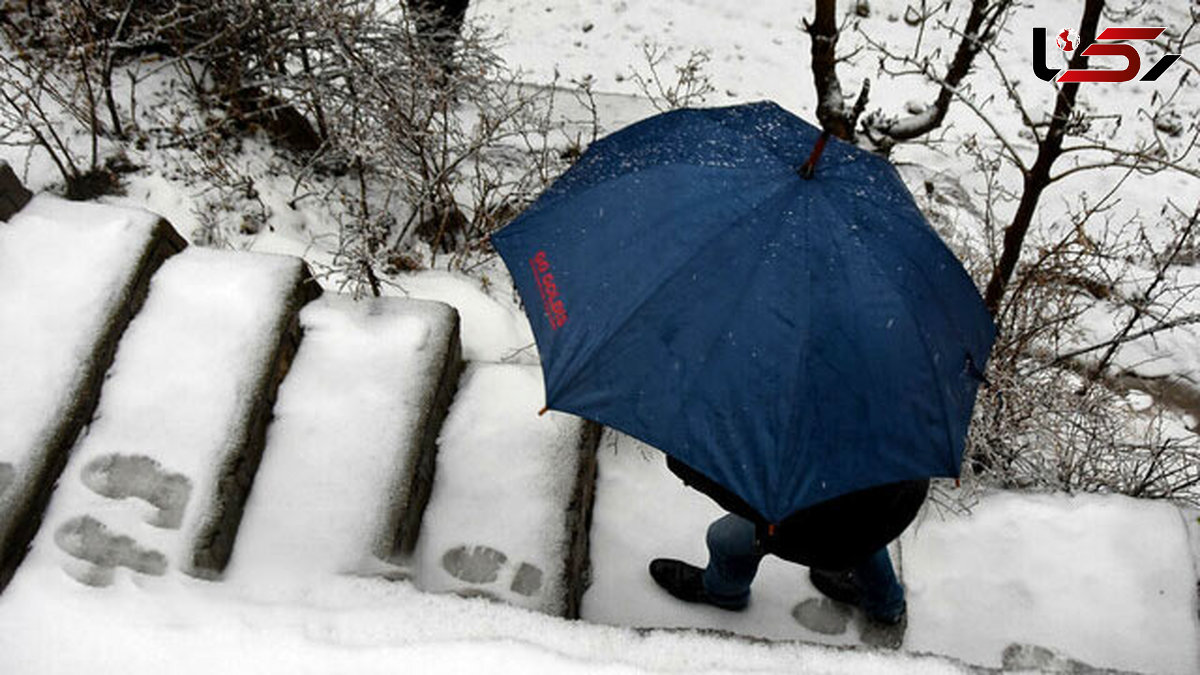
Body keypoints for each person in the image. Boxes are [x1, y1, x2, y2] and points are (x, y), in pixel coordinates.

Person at [649, 456, 928, 646]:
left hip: (808, 527)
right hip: (885, 512)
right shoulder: (898, 422)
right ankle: (886, 606)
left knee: (724, 540)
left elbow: (742, 497)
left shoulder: (798, 460)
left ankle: (723, 592)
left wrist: (685, 465)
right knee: (867, 544)